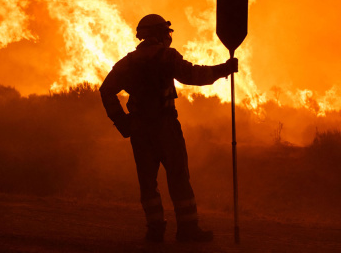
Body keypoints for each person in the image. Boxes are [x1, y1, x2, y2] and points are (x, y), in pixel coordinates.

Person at [99, 14, 238, 242]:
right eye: (167, 33)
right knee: (178, 177)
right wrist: (225, 68)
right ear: (160, 35)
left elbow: (106, 90)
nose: (168, 37)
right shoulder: (166, 57)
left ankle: (155, 230)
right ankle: (187, 230)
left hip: (139, 129)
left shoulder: (128, 62)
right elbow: (193, 75)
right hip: (165, 126)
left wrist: (122, 122)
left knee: (147, 182)